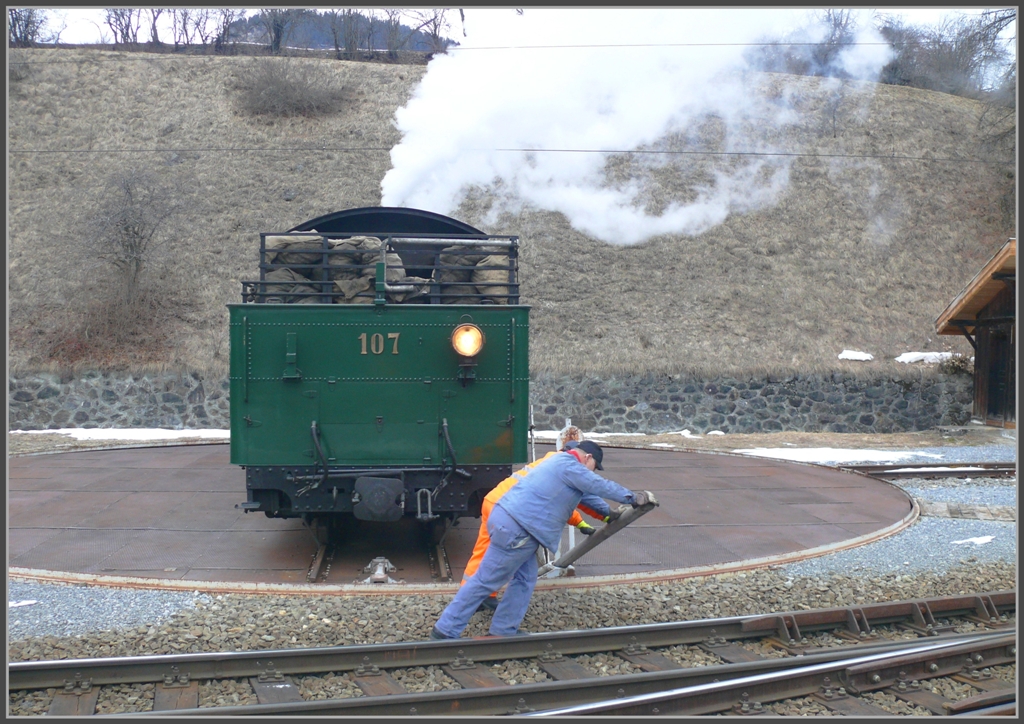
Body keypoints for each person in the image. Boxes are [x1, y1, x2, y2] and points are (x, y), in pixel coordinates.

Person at [430, 441, 652, 639]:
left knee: (525, 579)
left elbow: (588, 496)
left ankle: (504, 630)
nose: (594, 470)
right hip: (518, 529)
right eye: (595, 466)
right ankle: (445, 630)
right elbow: (597, 485)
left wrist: (609, 514)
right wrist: (633, 497)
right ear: (588, 458)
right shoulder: (568, 464)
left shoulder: (561, 465)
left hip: (515, 526)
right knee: (485, 581)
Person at [460, 441, 611, 613]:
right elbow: (568, 501)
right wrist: (604, 515)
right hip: (508, 509)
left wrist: (580, 522)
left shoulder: (549, 461)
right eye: (594, 466)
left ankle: (473, 596)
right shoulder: (565, 468)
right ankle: (480, 602)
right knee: (511, 558)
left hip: (494, 500)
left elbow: (556, 500)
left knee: (483, 551)